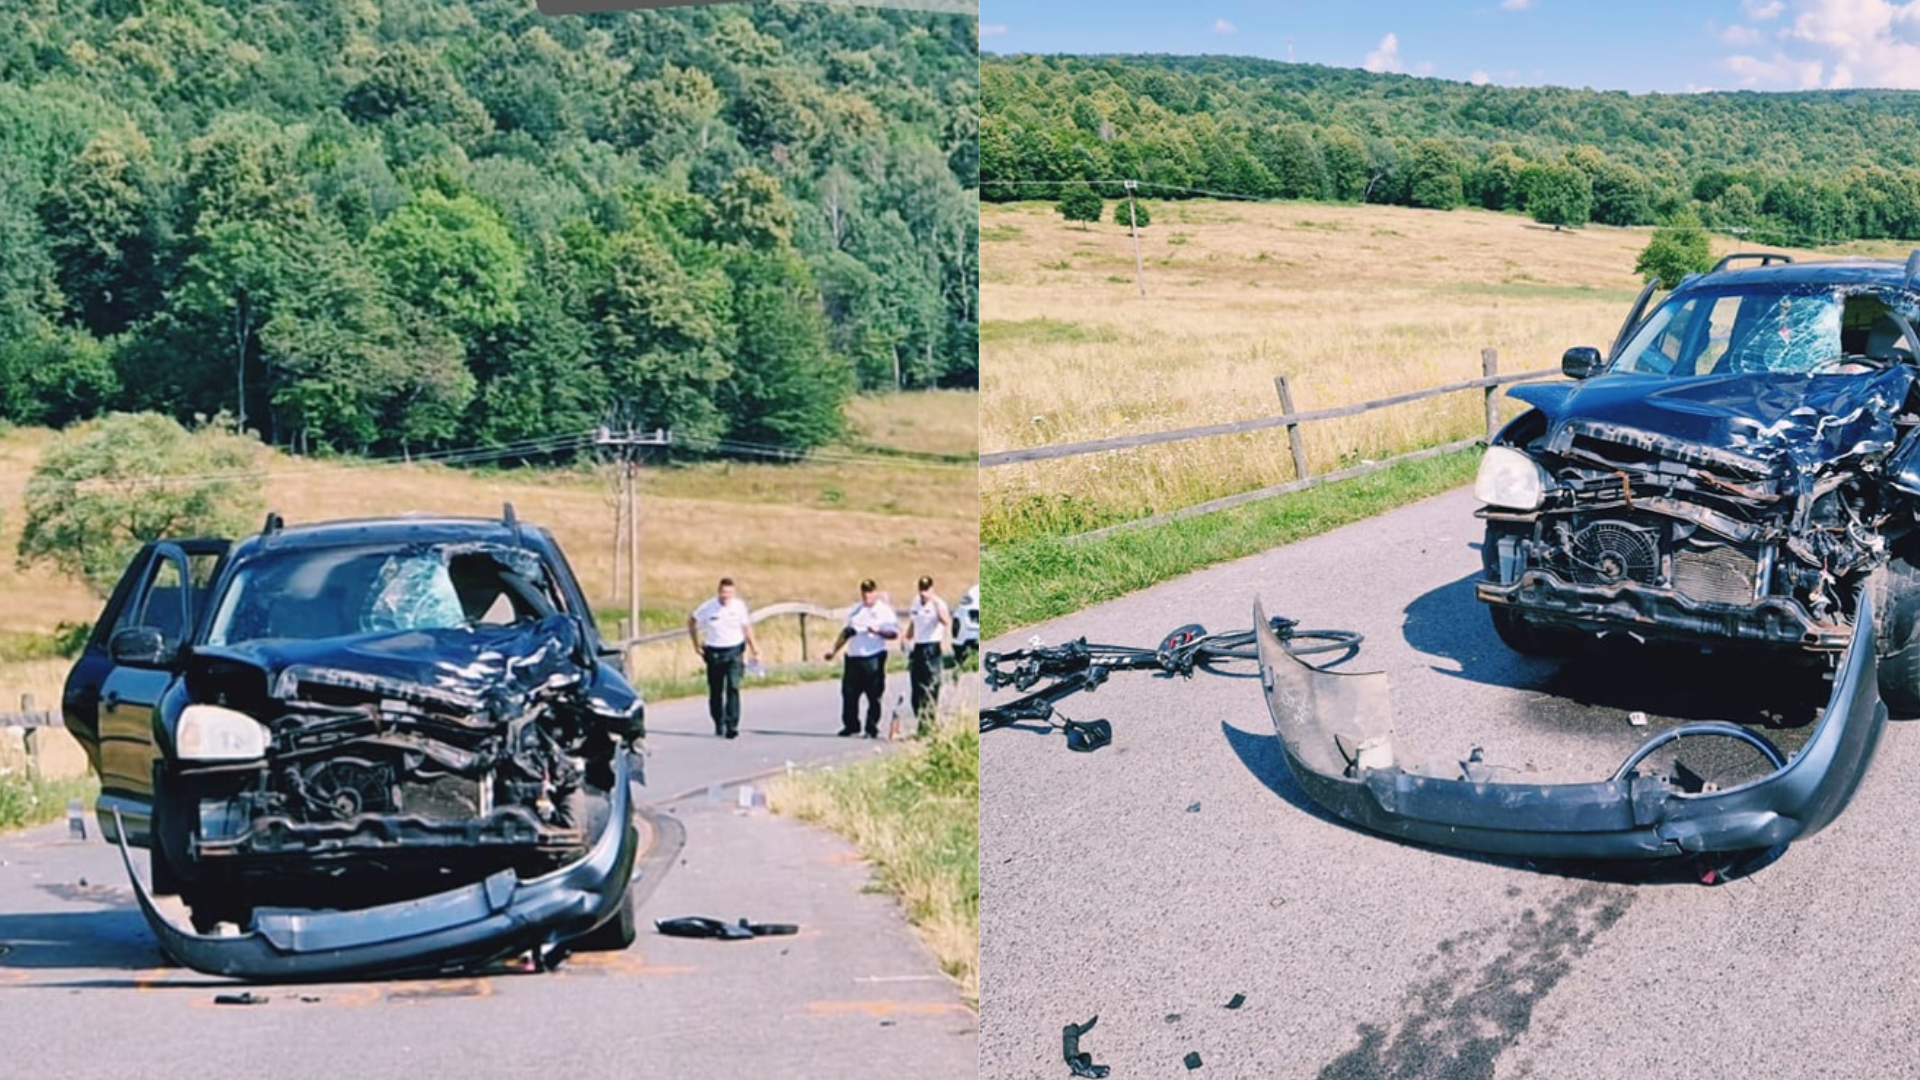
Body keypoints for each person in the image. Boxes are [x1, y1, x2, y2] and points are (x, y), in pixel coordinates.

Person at [823, 578, 898, 738]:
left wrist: (878, 631)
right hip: (854, 657)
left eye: (870, 592)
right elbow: (846, 633)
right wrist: (834, 650)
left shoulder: (884, 611)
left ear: (875, 593)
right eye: (864, 593)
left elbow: (893, 634)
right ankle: (851, 725)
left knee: (874, 695)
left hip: (873, 656)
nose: (867, 596)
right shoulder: (856, 610)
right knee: (849, 694)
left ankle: (871, 727)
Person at [687, 577, 760, 739]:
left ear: (733, 593)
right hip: (714, 651)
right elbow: (692, 621)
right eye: (723, 593)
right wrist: (696, 644)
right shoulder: (708, 607)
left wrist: (754, 648)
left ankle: (732, 724)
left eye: (728, 593)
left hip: (734, 650)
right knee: (716, 690)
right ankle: (718, 721)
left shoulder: (739, 606)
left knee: (733, 686)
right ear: (718, 592)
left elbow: (746, 627)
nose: (725, 596)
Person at [902, 575, 951, 723]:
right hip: (918, 646)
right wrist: (907, 636)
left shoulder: (938, 603)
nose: (923, 593)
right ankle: (920, 718)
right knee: (916, 687)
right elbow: (914, 622)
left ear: (931, 589)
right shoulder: (915, 602)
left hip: (932, 646)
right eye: (921, 589)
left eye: (926, 589)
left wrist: (935, 604)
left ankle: (929, 722)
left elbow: (946, 621)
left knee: (930, 685)